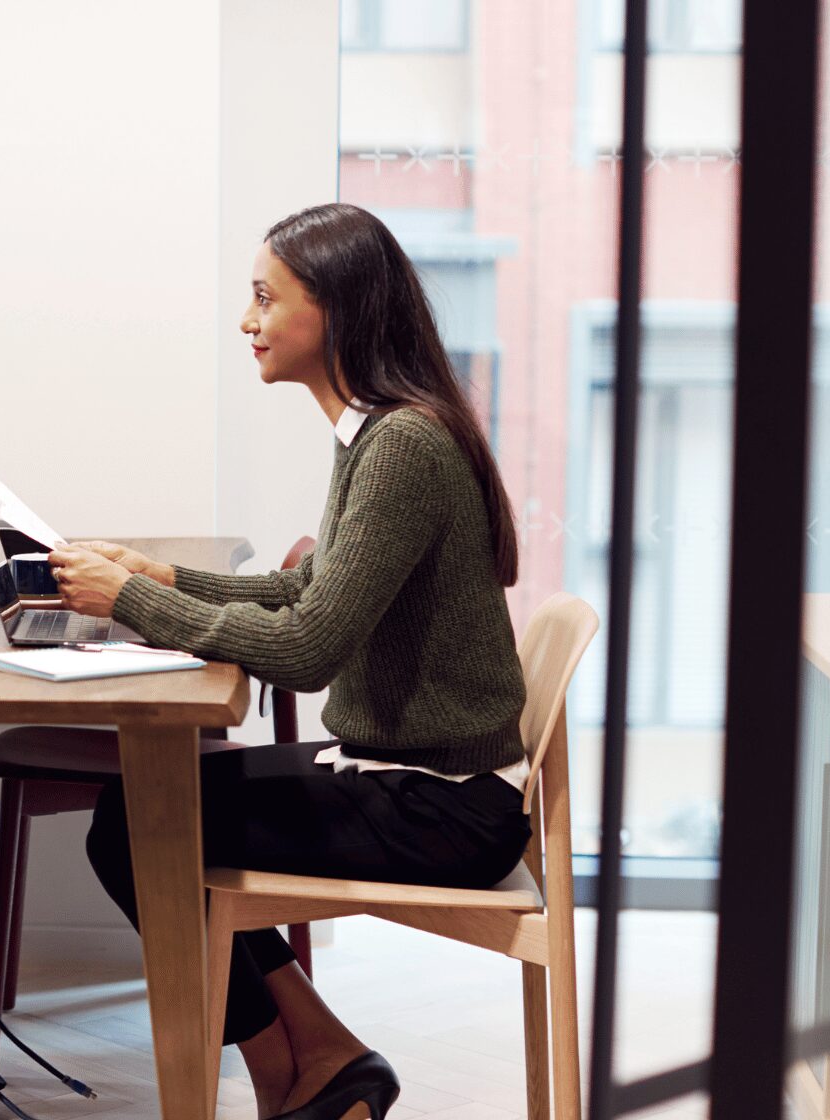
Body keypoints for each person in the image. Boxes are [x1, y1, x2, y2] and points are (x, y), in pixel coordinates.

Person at [45, 202, 533, 1120]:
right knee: (151, 812)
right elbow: (310, 598)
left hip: (442, 808)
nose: (248, 323)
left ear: (336, 312)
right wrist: (161, 576)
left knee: (138, 826)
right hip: (413, 777)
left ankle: (299, 1073)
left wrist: (133, 602)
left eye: (266, 299)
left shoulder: (401, 447)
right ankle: (320, 1062)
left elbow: (307, 651)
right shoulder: (381, 432)